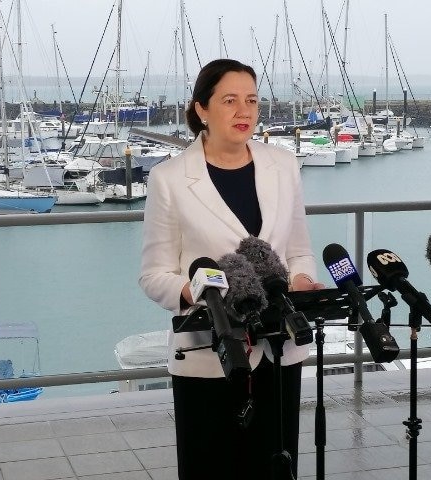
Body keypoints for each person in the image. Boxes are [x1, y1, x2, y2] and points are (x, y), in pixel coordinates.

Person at [139, 58, 323, 480]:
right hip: (209, 355)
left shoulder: (283, 166)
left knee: (276, 470)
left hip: (279, 350)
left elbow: (299, 250)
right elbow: (154, 275)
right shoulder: (169, 179)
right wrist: (197, 291)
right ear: (202, 109)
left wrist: (299, 280)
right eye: (230, 100)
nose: (244, 111)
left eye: (252, 100)